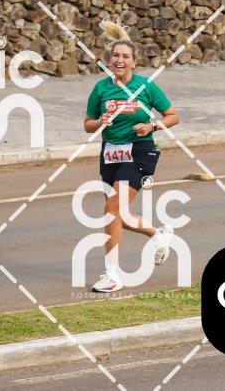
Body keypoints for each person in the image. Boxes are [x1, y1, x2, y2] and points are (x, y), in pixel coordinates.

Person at [83, 20, 180, 292]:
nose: (120, 60)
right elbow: (87, 124)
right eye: (116, 55)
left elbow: (173, 116)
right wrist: (100, 121)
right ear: (109, 60)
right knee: (117, 215)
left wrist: (152, 126)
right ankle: (157, 234)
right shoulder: (101, 88)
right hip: (110, 153)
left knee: (111, 210)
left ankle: (112, 275)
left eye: (126, 56)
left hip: (139, 151)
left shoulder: (146, 87)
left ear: (134, 62)